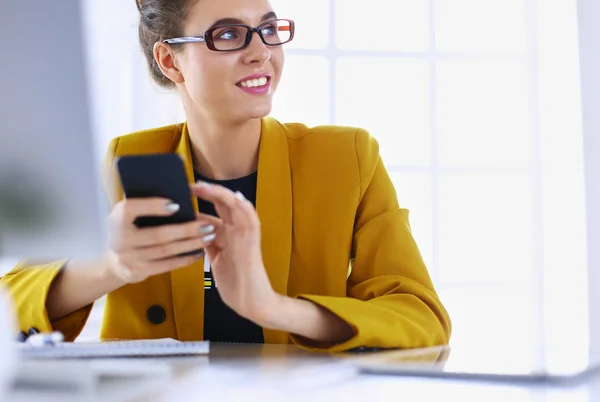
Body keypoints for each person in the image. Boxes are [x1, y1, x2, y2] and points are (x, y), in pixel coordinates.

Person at [0, 0, 451, 352]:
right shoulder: (127, 160)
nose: (261, 52)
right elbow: (10, 305)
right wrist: (110, 266)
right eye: (229, 35)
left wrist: (275, 309)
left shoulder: (346, 158)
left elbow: (421, 318)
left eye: (269, 30)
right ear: (170, 62)